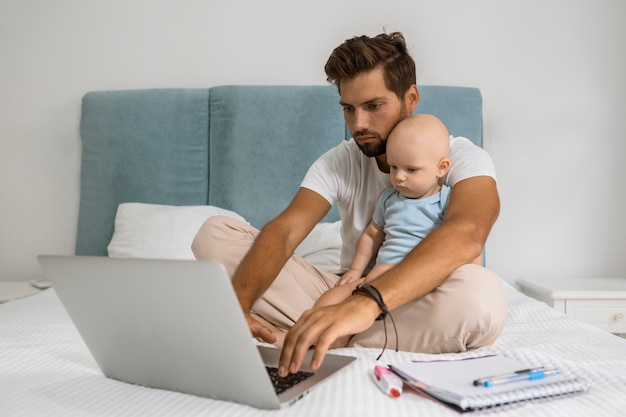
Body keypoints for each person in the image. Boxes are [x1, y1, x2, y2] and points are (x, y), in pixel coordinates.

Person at [192, 31, 506, 378]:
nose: (358, 124)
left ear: (410, 97)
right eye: (348, 109)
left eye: (374, 106)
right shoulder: (339, 161)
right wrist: (237, 305)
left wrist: (367, 303)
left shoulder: (459, 157)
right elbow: (284, 231)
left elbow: (468, 233)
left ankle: (323, 335)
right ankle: (335, 329)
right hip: (345, 290)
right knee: (213, 234)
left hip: (425, 293)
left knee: (481, 298)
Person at [314, 113, 454, 313]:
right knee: (331, 297)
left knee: (377, 278)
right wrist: (355, 270)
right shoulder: (389, 199)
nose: (399, 177)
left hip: (419, 278)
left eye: (411, 170)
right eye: (393, 167)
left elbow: (462, 239)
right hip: (377, 278)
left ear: (441, 168)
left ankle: (347, 324)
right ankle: (311, 326)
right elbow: (371, 235)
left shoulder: (445, 200)